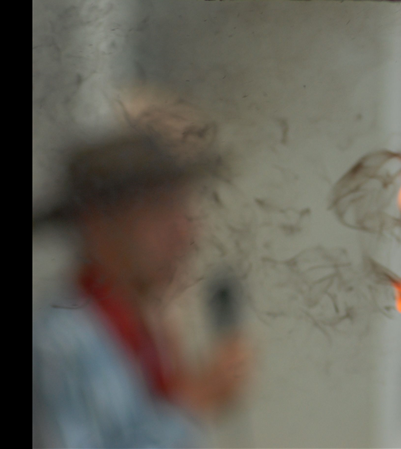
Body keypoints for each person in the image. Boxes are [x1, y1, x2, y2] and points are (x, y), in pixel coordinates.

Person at [33, 133, 251, 448]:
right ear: (97, 222)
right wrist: (190, 406)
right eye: (159, 209)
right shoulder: (55, 344)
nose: (185, 233)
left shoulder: (144, 331)